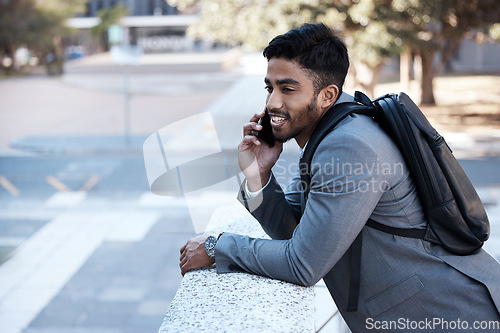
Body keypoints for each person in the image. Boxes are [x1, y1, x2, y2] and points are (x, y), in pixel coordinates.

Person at [180, 23, 500, 331]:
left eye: (288, 89)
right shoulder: (331, 134)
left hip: (453, 315)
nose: (272, 102)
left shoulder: (348, 147)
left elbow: (301, 264)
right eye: (270, 87)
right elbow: (293, 232)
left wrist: (215, 246)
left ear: (327, 95)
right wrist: (258, 173)